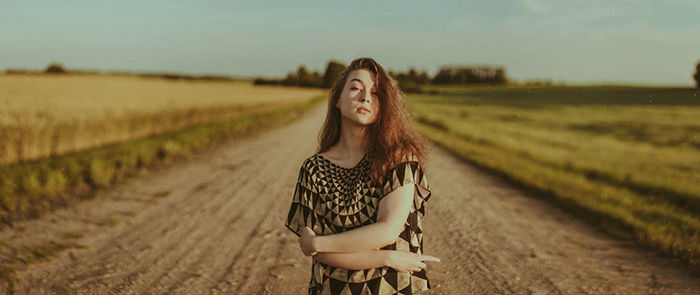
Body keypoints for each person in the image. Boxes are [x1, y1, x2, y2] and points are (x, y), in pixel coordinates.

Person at [285, 57, 439, 295]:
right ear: (337, 99)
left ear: (384, 105)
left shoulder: (399, 158)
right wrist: (388, 257)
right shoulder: (313, 168)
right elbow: (320, 254)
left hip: (391, 288)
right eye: (356, 88)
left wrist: (319, 243)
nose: (366, 97)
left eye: (376, 93)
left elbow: (387, 230)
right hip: (333, 288)